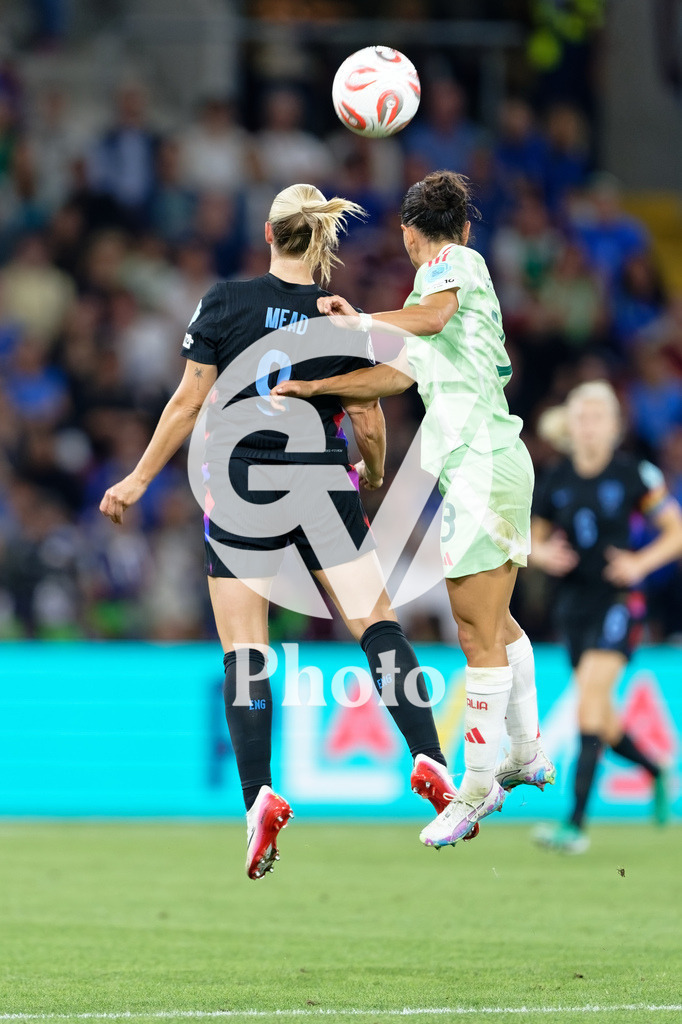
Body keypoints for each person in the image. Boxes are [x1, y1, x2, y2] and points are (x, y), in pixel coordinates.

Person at [100, 183, 455, 879]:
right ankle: (428, 755)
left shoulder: (224, 302)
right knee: (376, 623)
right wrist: (375, 470)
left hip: (240, 482)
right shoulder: (335, 315)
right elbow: (369, 413)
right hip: (320, 475)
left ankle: (258, 793)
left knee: (246, 649)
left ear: (268, 233)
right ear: (322, 242)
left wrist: (139, 479)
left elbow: (187, 400)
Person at [273, 170, 556, 849]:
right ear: (460, 224)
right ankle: (526, 752)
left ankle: (478, 788)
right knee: (496, 619)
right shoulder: (436, 286)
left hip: (484, 464)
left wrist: (360, 319)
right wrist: (317, 387)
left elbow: (428, 321)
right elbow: (399, 374)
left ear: (409, 233)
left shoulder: (452, 270)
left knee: (474, 631)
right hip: (483, 467)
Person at [530, 381, 682, 852]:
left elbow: (675, 531)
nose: (590, 426)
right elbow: (532, 540)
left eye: (599, 417)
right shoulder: (555, 478)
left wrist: (639, 563)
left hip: (620, 601)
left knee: (590, 700)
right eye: (582, 417)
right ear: (570, 426)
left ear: (615, 427)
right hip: (573, 606)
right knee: (602, 717)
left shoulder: (635, 473)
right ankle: (657, 770)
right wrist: (542, 555)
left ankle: (575, 826)